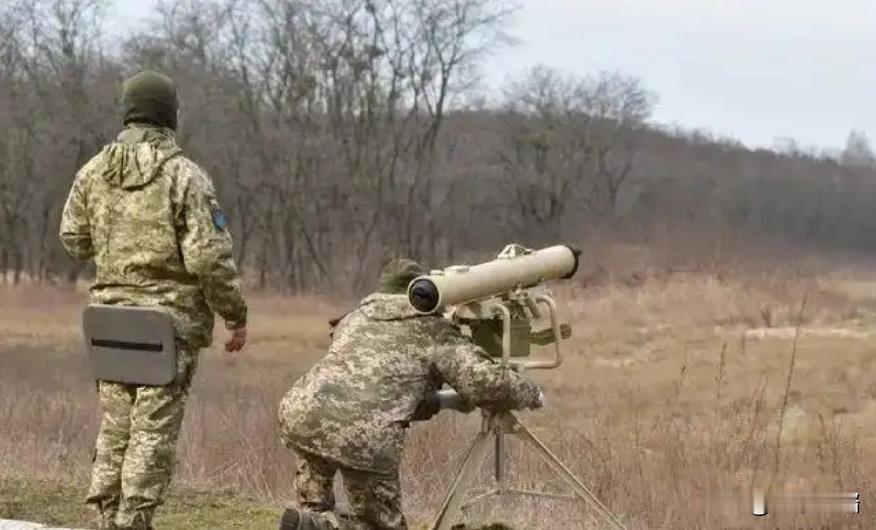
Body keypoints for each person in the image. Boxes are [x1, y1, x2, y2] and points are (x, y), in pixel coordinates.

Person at [59, 70, 249, 530]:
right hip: (165, 328)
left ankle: (105, 518)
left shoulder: (92, 172)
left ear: (128, 111)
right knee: (152, 432)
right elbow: (209, 258)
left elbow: (73, 239)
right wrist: (235, 315)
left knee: (116, 425)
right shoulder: (185, 176)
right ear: (169, 114)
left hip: (108, 324)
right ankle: (134, 521)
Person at [277, 258, 544, 530]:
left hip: (303, 415)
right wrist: (531, 393)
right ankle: (319, 527)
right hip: (364, 435)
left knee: (313, 507)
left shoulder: (353, 319)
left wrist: (443, 402)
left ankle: (308, 522)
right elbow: (485, 382)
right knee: (378, 525)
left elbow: (390, 388)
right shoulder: (431, 330)